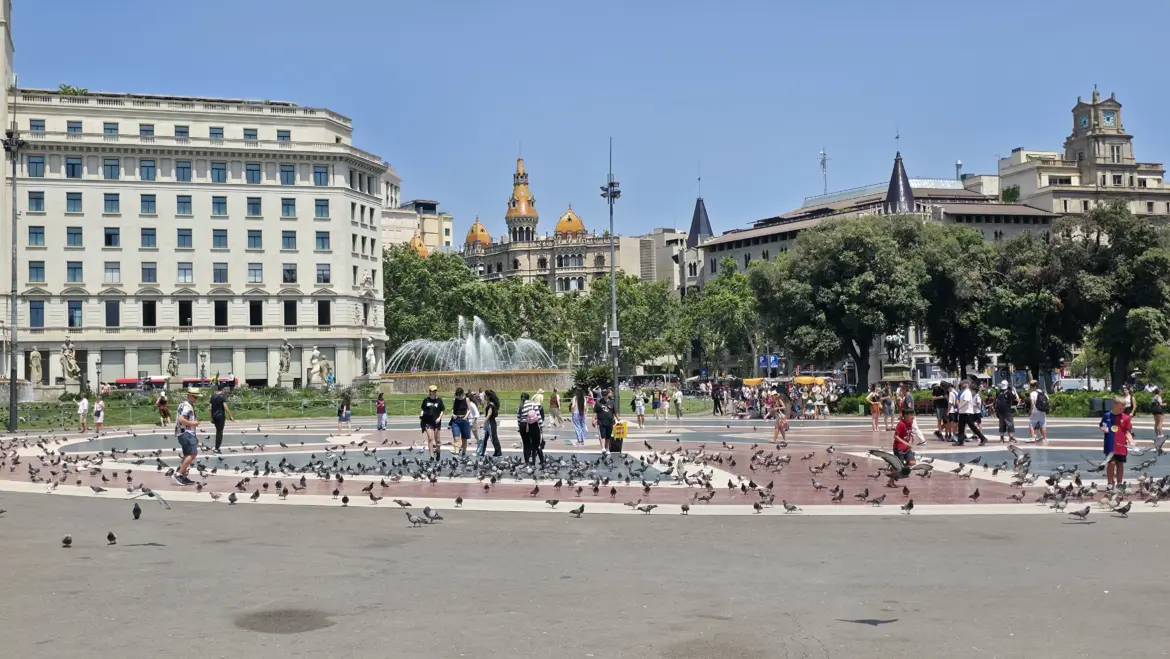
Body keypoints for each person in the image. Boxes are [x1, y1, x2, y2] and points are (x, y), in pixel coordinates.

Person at [1100, 397, 1134, 488]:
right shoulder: (1107, 416)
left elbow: (1127, 431)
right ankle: (1110, 482)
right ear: (1114, 405)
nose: (1122, 410)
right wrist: (1103, 429)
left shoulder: (1126, 418)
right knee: (1110, 463)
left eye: (1123, 409)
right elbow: (1102, 426)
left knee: (1120, 464)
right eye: (1120, 408)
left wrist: (1131, 441)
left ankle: (1119, 482)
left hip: (1121, 445)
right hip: (1110, 444)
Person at [173, 388, 201, 486]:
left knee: (187, 454)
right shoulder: (187, 406)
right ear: (190, 396)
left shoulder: (183, 405)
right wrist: (193, 424)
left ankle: (183, 476)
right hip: (186, 433)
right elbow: (181, 419)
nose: (196, 399)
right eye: (195, 397)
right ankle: (179, 474)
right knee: (193, 454)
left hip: (183, 433)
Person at [516, 392, 545, 467]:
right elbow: (538, 416)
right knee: (536, 444)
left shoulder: (520, 406)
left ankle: (526, 462)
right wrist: (541, 426)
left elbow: (518, 418)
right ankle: (542, 461)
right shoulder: (533, 404)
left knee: (526, 445)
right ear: (528, 398)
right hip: (533, 425)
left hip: (523, 426)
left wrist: (520, 427)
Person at [956, 380, 988, 446]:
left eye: (964, 383)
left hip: (967, 412)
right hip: (963, 412)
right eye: (962, 383)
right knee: (961, 427)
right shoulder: (964, 392)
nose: (962, 384)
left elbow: (966, 401)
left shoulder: (967, 392)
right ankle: (960, 441)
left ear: (967, 384)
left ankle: (983, 438)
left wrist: (959, 407)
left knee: (972, 427)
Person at [420, 385, 445, 460]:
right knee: (430, 438)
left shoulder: (439, 400)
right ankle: (431, 455)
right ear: (430, 392)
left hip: (437, 422)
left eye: (435, 391)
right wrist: (421, 414)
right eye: (433, 391)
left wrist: (439, 418)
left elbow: (442, 410)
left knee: (437, 439)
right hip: (428, 422)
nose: (435, 392)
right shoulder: (426, 400)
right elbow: (422, 409)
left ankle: (438, 452)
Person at [209, 384, 233, 453]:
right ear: (222, 389)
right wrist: (230, 416)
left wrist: (211, 417)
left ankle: (217, 446)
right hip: (220, 416)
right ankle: (217, 447)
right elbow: (225, 407)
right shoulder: (222, 396)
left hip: (214, 416)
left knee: (217, 431)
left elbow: (210, 408)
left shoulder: (213, 396)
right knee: (220, 432)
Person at [478, 389, 502, 457]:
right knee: (484, 438)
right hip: (488, 423)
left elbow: (489, 414)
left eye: (485, 396)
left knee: (493, 438)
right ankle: (481, 452)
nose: (484, 397)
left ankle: (498, 452)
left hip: (490, 423)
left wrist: (483, 422)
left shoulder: (491, 404)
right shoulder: (489, 403)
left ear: (488, 396)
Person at [593, 388, 617, 453]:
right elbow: (595, 412)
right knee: (602, 436)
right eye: (603, 395)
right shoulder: (598, 403)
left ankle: (607, 448)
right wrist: (593, 420)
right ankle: (603, 448)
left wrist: (618, 419)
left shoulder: (612, 402)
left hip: (610, 422)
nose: (604, 396)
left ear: (607, 395)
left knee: (608, 436)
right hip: (601, 421)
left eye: (605, 395)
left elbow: (615, 412)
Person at [450, 387, 472, 456]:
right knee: (456, 437)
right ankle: (456, 453)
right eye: (457, 395)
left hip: (464, 419)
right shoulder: (455, 400)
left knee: (464, 438)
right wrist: (452, 414)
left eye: (460, 395)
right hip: (456, 420)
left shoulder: (466, 399)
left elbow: (469, 409)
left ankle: (464, 452)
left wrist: (465, 417)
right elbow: (453, 409)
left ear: (463, 394)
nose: (459, 396)